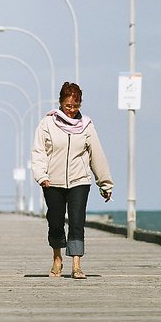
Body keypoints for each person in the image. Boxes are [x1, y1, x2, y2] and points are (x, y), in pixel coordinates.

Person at [31, 82, 113, 279]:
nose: (71, 110)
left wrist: (105, 183)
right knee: (56, 222)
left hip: (80, 181)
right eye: (68, 106)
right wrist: (41, 175)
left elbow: (97, 155)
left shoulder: (87, 125)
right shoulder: (47, 123)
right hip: (52, 182)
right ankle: (57, 258)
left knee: (77, 221)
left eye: (76, 106)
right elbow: (39, 152)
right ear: (60, 103)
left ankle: (76, 264)